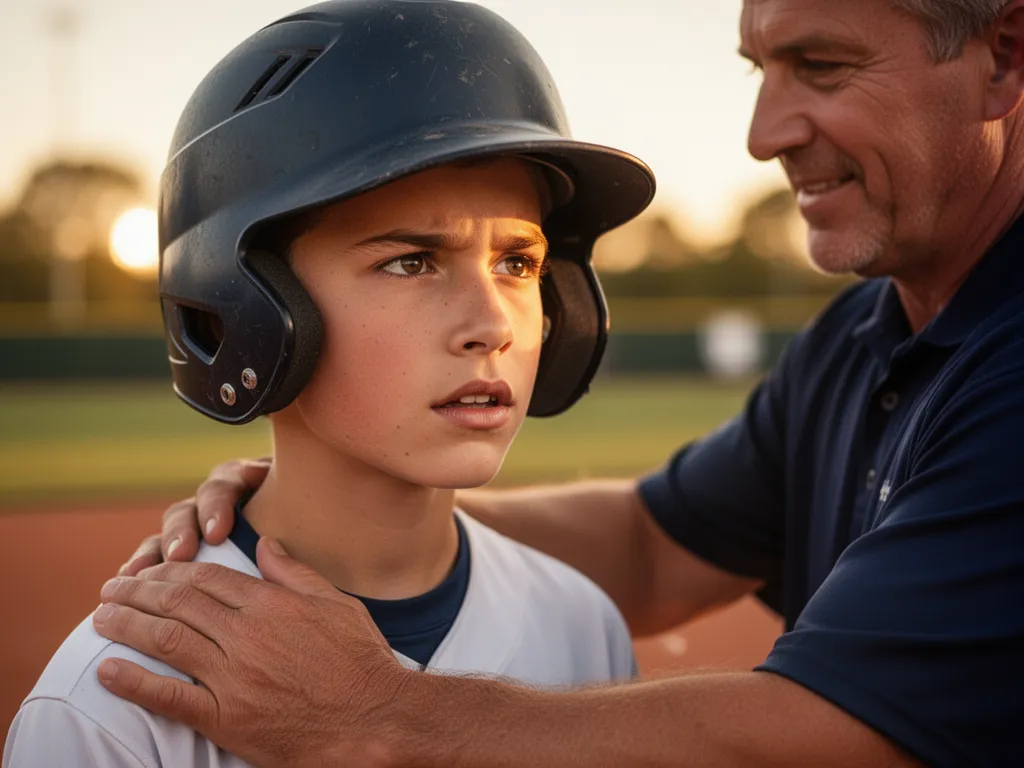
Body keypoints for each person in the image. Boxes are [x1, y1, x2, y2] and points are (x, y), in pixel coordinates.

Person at [76, 0, 1024, 765]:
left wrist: (382, 716)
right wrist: (314, 513)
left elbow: (846, 737)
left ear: (1006, 55)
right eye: (411, 261)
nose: (763, 132)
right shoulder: (865, 338)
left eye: (821, 65)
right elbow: (653, 545)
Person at [1, 2, 659, 766]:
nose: (493, 323)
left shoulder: (582, 627)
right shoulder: (121, 701)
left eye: (519, 263)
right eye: (411, 261)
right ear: (244, 305)